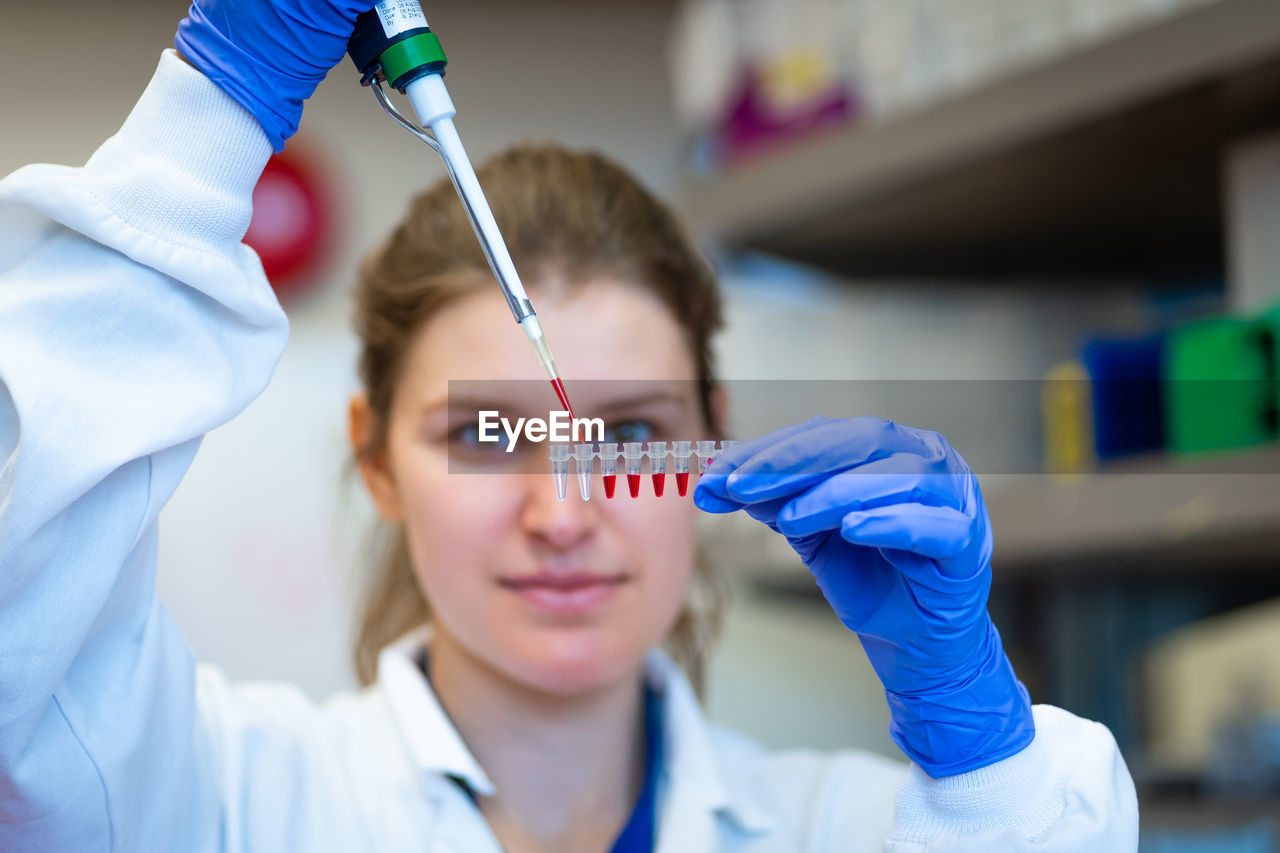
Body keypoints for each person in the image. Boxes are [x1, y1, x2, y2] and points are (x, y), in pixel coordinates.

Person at [0, 1, 1138, 850]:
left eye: (633, 439)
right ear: (374, 454)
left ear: (716, 433)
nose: (563, 513)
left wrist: (986, 763)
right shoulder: (217, 800)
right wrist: (212, 110)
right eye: (486, 434)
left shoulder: (853, 827)